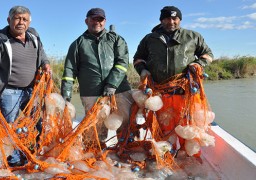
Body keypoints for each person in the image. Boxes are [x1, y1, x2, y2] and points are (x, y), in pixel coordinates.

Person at [133, 6, 213, 151]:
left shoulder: (193, 36)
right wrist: (143, 70)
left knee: (188, 129)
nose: (171, 21)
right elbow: (138, 58)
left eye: (175, 18)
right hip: (159, 94)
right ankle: (166, 158)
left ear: (180, 20)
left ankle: (188, 158)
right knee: (163, 129)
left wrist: (198, 63)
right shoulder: (149, 39)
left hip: (186, 93)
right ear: (161, 20)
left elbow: (207, 54)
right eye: (167, 18)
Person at [0, 5, 50, 166]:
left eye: (24, 19)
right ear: (9, 20)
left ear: (29, 21)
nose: (21, 22)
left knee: (37, 122)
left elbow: (42, 53)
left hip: (32, 91)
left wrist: (45, 63)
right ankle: (14, 160)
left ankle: (35, 152)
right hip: (8, 92)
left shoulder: (34, 35)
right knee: (8, 127)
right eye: (17, 18)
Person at [61, 8, 134, 148]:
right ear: (86, 21)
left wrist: (112, 84)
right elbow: (69, 71)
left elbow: (122, 63)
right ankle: (94, 151)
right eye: (94, 19)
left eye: (100, 19)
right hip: (91, 92)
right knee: (94, 126)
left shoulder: (116, 39)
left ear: (105, 21)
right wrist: (66, 95)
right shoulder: (77, 44)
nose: (97, 22)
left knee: (125, 121)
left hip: (120, 89)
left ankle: (127, 148)